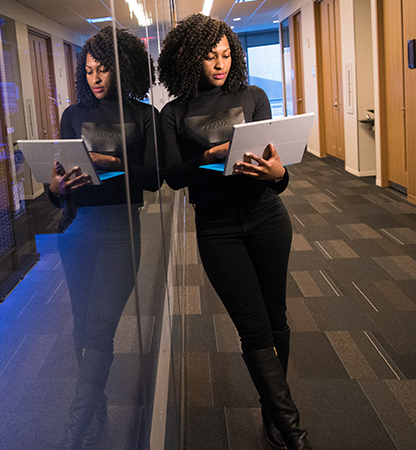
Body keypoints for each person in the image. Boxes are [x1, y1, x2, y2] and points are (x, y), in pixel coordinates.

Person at [156, 14, 311, 450]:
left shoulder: (254, 96)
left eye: (226, 54)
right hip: (217, 229)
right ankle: (294, 432)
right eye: (210, 56)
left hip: (267, 218)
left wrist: (279, 173)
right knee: (253, 327)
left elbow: (275, 176)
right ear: (189, 58)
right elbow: (172, 175)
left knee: (276, 317)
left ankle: (273, 412)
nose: (220, 64)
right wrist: (216, 154)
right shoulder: (174, 112)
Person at [48, 26, 159, 449]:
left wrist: (111, 160)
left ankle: (75, 428)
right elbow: (57, 186)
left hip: (121, 229)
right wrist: (56, 188)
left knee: (100, 325)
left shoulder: (143, 115)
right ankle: (94, 408)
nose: (95, 78)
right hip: (78, 228)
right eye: (90, 70)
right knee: (82, 326)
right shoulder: (73, 115)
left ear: (123, 68)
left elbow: (154, 179)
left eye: (104, 69)